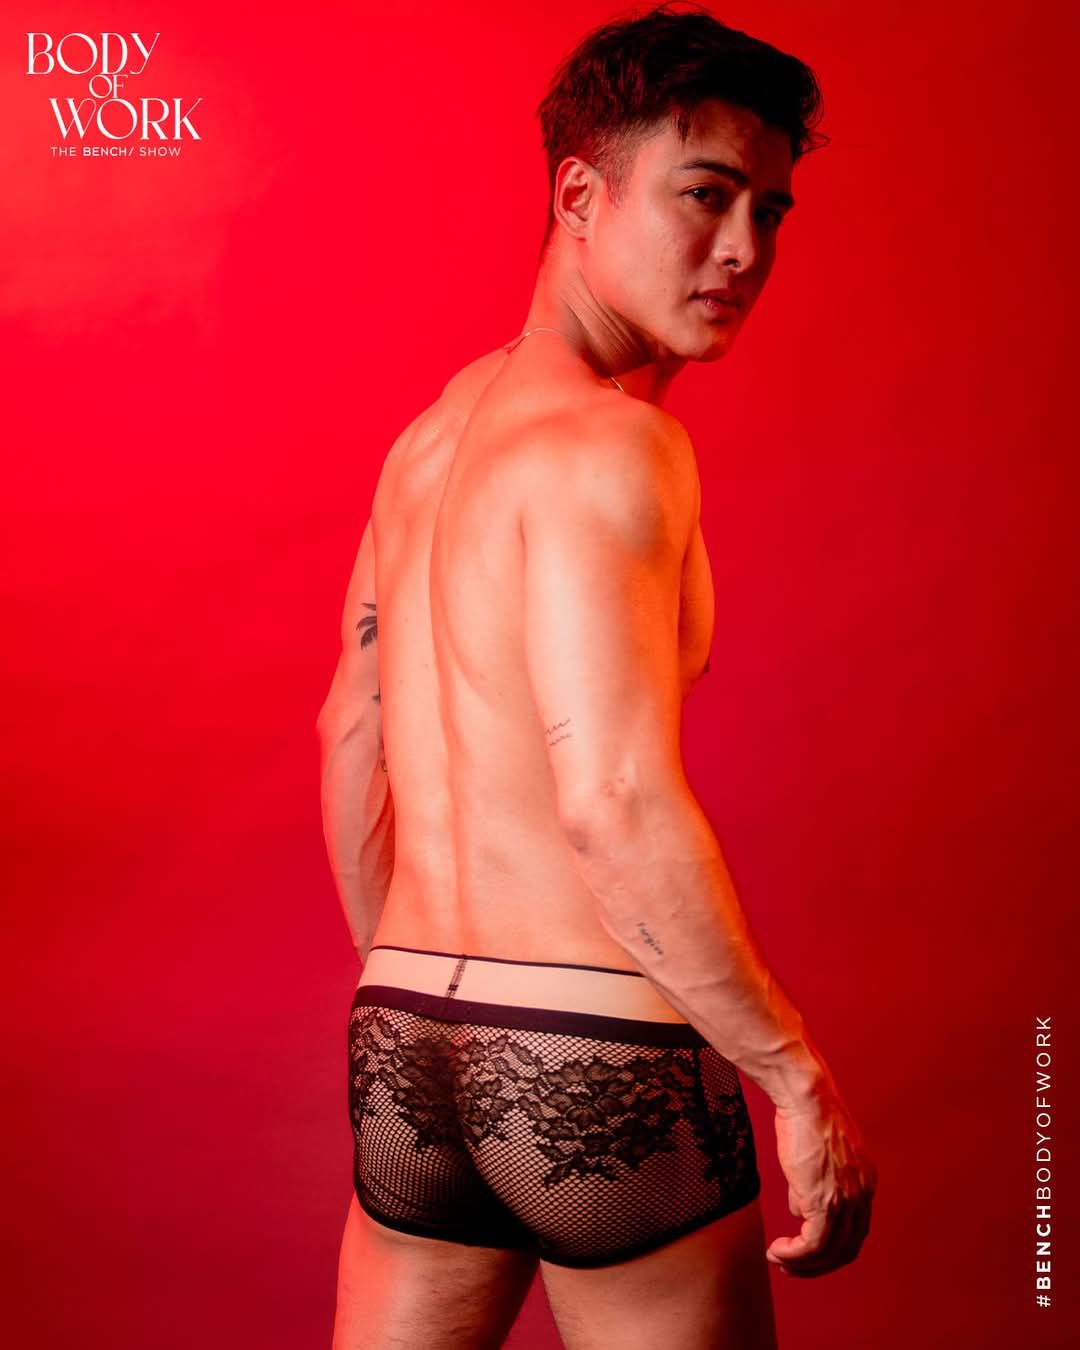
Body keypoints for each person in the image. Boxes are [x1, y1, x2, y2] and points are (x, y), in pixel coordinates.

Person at [316, 5, 876, 1347]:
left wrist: (415, 987)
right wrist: (793, 1073)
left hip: (406, 1035)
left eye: (769, 212)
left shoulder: (427, 444)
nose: (744, 249)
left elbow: (351, 734)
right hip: (599, 1048)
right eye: (704, 196)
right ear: (580, 196)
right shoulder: (618, 448)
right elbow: (611, 798)